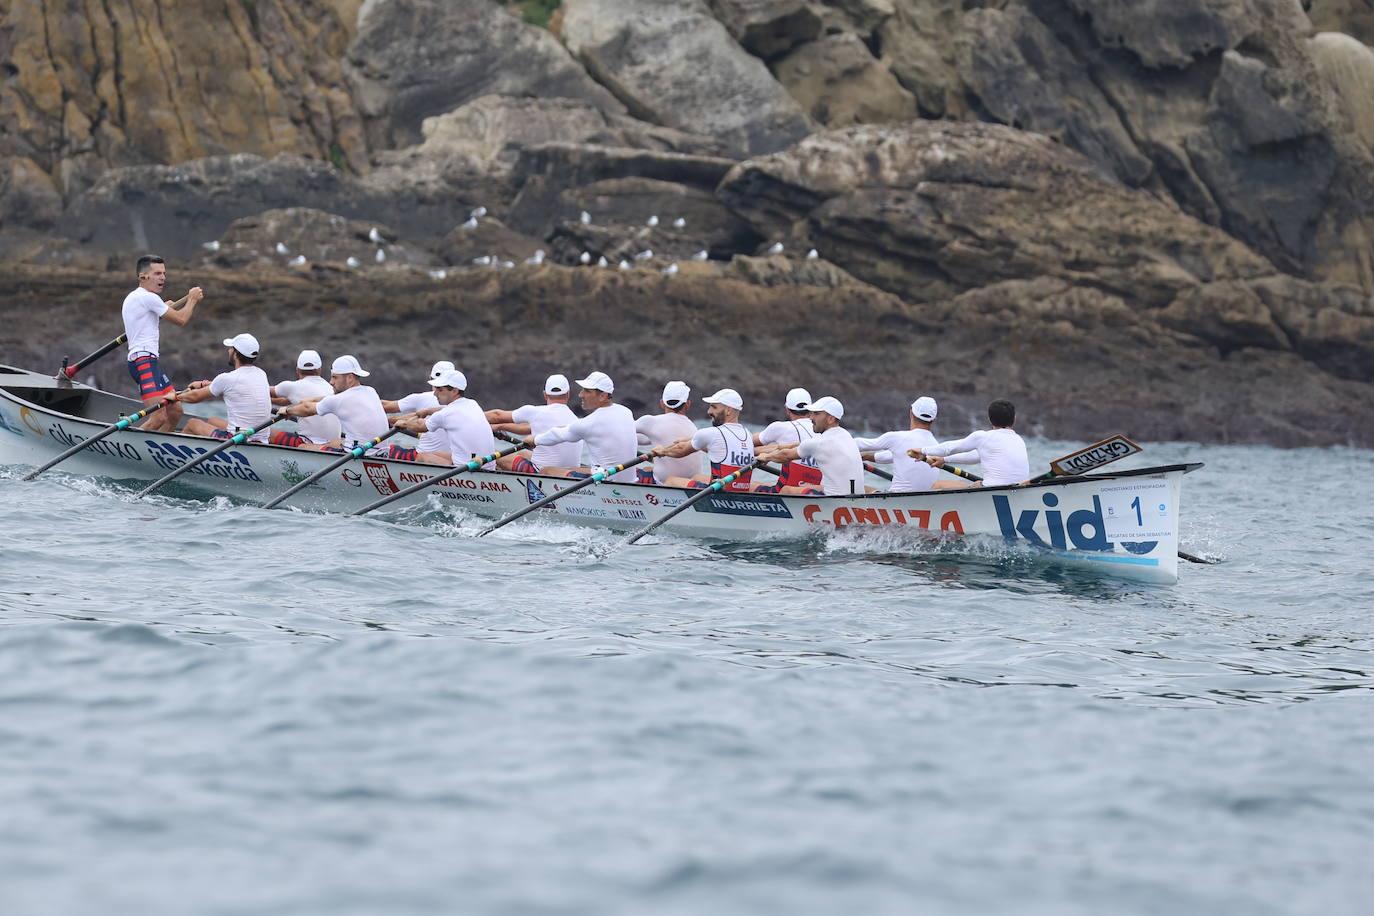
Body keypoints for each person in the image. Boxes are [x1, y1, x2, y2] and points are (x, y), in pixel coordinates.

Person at [121, 254, 203, 432]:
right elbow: (181, 319)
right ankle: (133, 449)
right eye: (157, 273)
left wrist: (162, 308)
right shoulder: (148, 299)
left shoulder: (137, 297)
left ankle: (158, 448)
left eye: (164, 273)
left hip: (149, 362)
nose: (163, 278)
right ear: (143, 277)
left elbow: (146, 318)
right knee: (157, 417)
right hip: (143, 361)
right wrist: (192, 299)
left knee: (175, 411)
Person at [527, 370, 638, 482]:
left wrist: (535, 439)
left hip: (606, 483)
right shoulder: (625, 412)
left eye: (587, 391)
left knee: (547, 471)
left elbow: (557, 435)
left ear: (602, 396)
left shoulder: (589, 423)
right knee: (573, 468)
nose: (581, 394)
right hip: (629, 480)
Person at [853, 396, 977, 492]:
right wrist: (864, 456)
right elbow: (895, 456)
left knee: (859, 488)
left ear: (911, 413)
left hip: (896, 497)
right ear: (933, 419)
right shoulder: (934, 446)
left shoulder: (896, 437)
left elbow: (859, 443)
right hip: (922, 499)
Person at [173, 334, 273, 443]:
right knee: (213, 420)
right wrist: (204, 385)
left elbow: (195, 397)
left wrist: (174, 396)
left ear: (235, 354)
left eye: (231, 348)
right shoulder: (261, 374)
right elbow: (236, 387)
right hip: (261, 440)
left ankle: (174, 457)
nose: (228, 351)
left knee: (192, 423)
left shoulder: (227, 378)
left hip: (238, 440)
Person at [756, 396, 865, 496]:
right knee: (809, 486)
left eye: (816, 414)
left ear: (830, 419)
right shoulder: (846, 436)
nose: (811, 417)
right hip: (852, 497)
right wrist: (781, 447)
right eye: (811, 413)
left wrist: (766, 457)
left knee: (786, 490)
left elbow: (785, 456)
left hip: (835, 501)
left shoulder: (818, 443)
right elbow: (801, 445)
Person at [909, 399, 1030, 488]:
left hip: (993, 489)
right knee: (976, 484)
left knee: (937, 485)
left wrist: (922, 450)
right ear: (1014, 419)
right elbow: (976, 457)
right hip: (1019, 488)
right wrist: (945, 460)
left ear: (989, 419)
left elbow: (950, 448)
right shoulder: (1019, 439)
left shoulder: (983, 437)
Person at [651, 388, 756, 491]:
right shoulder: (747, 434)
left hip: (718, 494)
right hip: (740, 490)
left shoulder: (712, 433)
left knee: (671, 480)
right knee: (697, 477)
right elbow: (720, 449)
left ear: (728, 410)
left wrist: (663, 451)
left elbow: (681, 450)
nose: (709, 411)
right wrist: (690, 440)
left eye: (714, 407)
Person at [394, 369, 496, 467]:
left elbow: (420, 426)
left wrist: (404, 423)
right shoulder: (472, 404)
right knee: (436, 453)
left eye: (440, 390)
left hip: (466, 469)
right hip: (482, 464)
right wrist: (427, 411)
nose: (435, 393)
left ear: (455, 391)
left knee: (422, 456)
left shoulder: (445, 414)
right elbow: (445, 410)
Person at [283, 355, 388, 449]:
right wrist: (312, 399)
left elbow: (307, 409)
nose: (331, 382)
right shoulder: (370, 391)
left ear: (350, 378)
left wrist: (287, 410)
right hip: (381, 452)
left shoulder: (340, 400)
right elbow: (329, 398)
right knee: (334, 442)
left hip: (360, 454)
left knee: (303, 447)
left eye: (335, 377)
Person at [484, 374, 580, 473]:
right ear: (568, 394)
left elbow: (497, 416)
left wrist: (475, 417)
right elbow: (528, 428)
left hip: (540, 472)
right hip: (568, 473)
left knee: (489, 454)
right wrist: (500, 426)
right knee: (523, 454)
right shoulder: (576, 420)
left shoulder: (535, 412)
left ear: (545, 394)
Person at [376, 360, 455, 461]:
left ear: (431, 379)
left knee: (388, 450)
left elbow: (385, 406)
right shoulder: (461, 405)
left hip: (425, 457)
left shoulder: (423, 398)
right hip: (451, 460)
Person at [750, 386, 821, 492]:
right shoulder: (821, 430)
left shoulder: (780, 427)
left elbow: (746, 442)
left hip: (785, 491)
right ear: (811, 410)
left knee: (748, 486)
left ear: (787, 410)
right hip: (815, 491)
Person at [268, 349, 340, 448]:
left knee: (267, 433)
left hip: (309, 443)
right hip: (334, 444)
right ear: (320, 370)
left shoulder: (292, 387)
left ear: (297, 370)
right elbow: (285, 401)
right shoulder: (330, 387)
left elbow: (263, 391)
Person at [633, 380, 702, 485]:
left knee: (636, 470)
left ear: (662, 403)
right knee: (648, 468)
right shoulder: (693, 427)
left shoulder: (651, 422)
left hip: (663, 483)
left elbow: (622, 433)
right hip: (689, 483)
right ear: (688, 404)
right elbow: (646, 438)